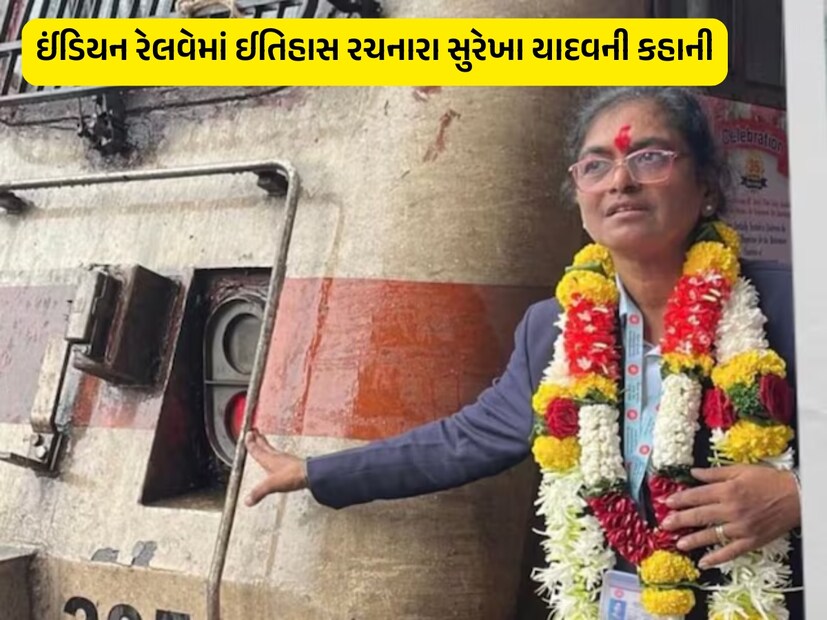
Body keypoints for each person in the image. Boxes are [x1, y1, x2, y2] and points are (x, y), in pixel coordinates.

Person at [242, 87, 803, 619]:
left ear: (706, 186)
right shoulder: (552, 329)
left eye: (650, 157)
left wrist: (800, 496)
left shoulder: (793, 307)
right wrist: (314, 472)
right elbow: (465, 440)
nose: (621, 181)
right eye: (596, 165)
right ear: (579, 197)